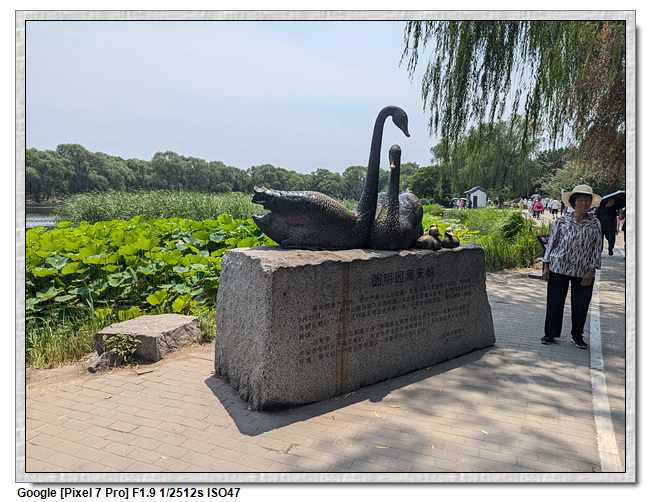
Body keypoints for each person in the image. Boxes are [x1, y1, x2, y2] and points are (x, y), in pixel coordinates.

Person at [540, 185, 602, 349]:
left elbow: (597, 247)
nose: (584, 203)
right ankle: (550, 333)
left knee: (581, 303)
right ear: (573, 203)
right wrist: (546, 266)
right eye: (580, 200)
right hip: (558, 267)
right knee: (555, 301)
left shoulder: (595, 223)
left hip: (583, 271)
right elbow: (551, 243)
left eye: (587, 200)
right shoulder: (562, 221)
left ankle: (577, 335)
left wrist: (591, 270)